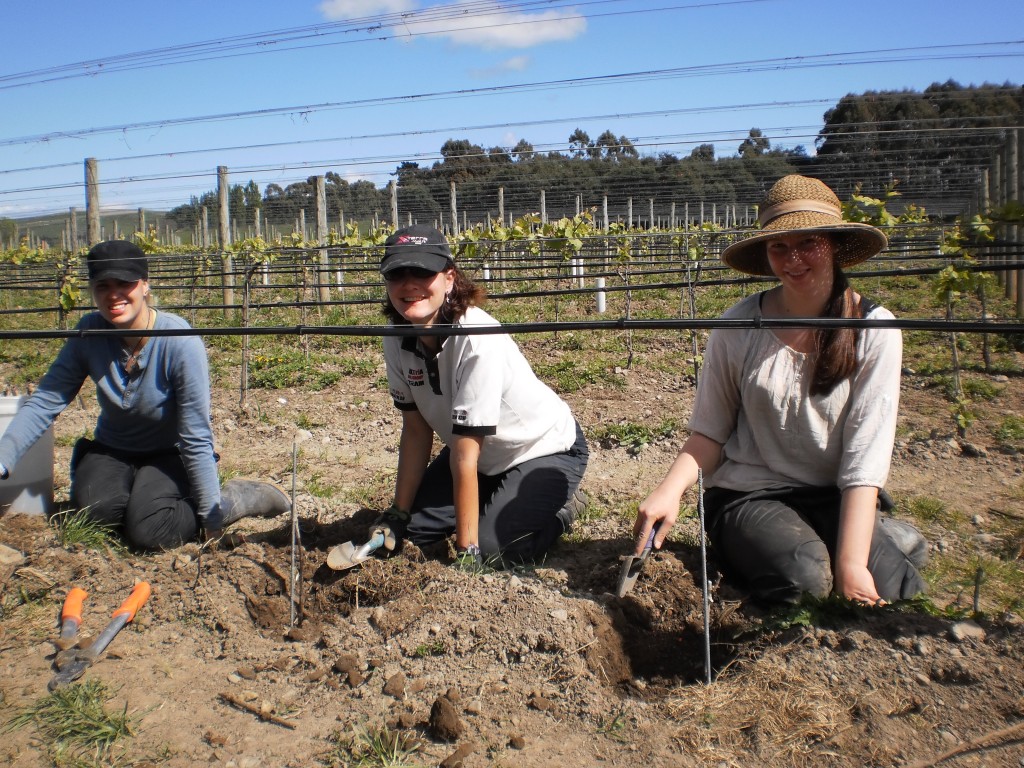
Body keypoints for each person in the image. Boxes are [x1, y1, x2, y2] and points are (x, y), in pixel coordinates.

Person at [634, 175, 927, 605]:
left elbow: (866, 455)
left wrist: (852, 563)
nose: (793, 259)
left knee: (893, 589)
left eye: (808, 243)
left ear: (833, 243)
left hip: (832, 494)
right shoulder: (737, 328)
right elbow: (709, 432)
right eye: (779, 247)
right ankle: (848, 544)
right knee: (805, 582)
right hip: (748, 493)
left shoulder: (874, 330)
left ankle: (874, 541)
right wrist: (669, 491)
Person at [0, 240, 290, 549]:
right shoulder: (89, 333)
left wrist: (212, 522)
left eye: (124, 283)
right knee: (95, 514)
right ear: (92, 290)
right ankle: (139, 500)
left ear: (144, 285)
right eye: (103, 285)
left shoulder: (178, 341)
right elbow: (44, 402)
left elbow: (195, 434)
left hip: (168, 455)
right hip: (113, 449)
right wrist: (3, 461)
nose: (114, 294)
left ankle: (233, 499)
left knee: (151, 531)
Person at [374, 224, 589, 569]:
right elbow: (416, 430)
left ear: (449, 278)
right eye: (397, 274)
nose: (409, 284)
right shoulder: (396, 337)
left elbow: (465, 455)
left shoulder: (476, 338)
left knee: (493, 550)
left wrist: (467, 549)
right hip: (485, 459)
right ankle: (491, 501)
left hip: (542, 451)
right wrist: (398, 514)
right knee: (413, 534)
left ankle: (564, 511)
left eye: (422, 272)